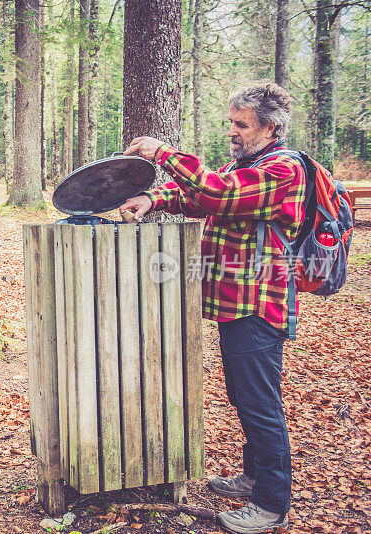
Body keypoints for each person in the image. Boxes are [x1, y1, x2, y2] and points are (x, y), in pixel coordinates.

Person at [119, 82, 305, 534]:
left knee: (260, 404)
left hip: (260, 305)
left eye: (242, 124)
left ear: (270, 127)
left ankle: (271, 504)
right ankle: (254, 477)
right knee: (244, 397)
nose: (233, 131)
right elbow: (199, 196)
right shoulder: (245, 166)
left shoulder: (282, 169)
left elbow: (219, 193)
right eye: (231, 123)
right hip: (234, 304)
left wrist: (164, 152)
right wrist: (153, 199)